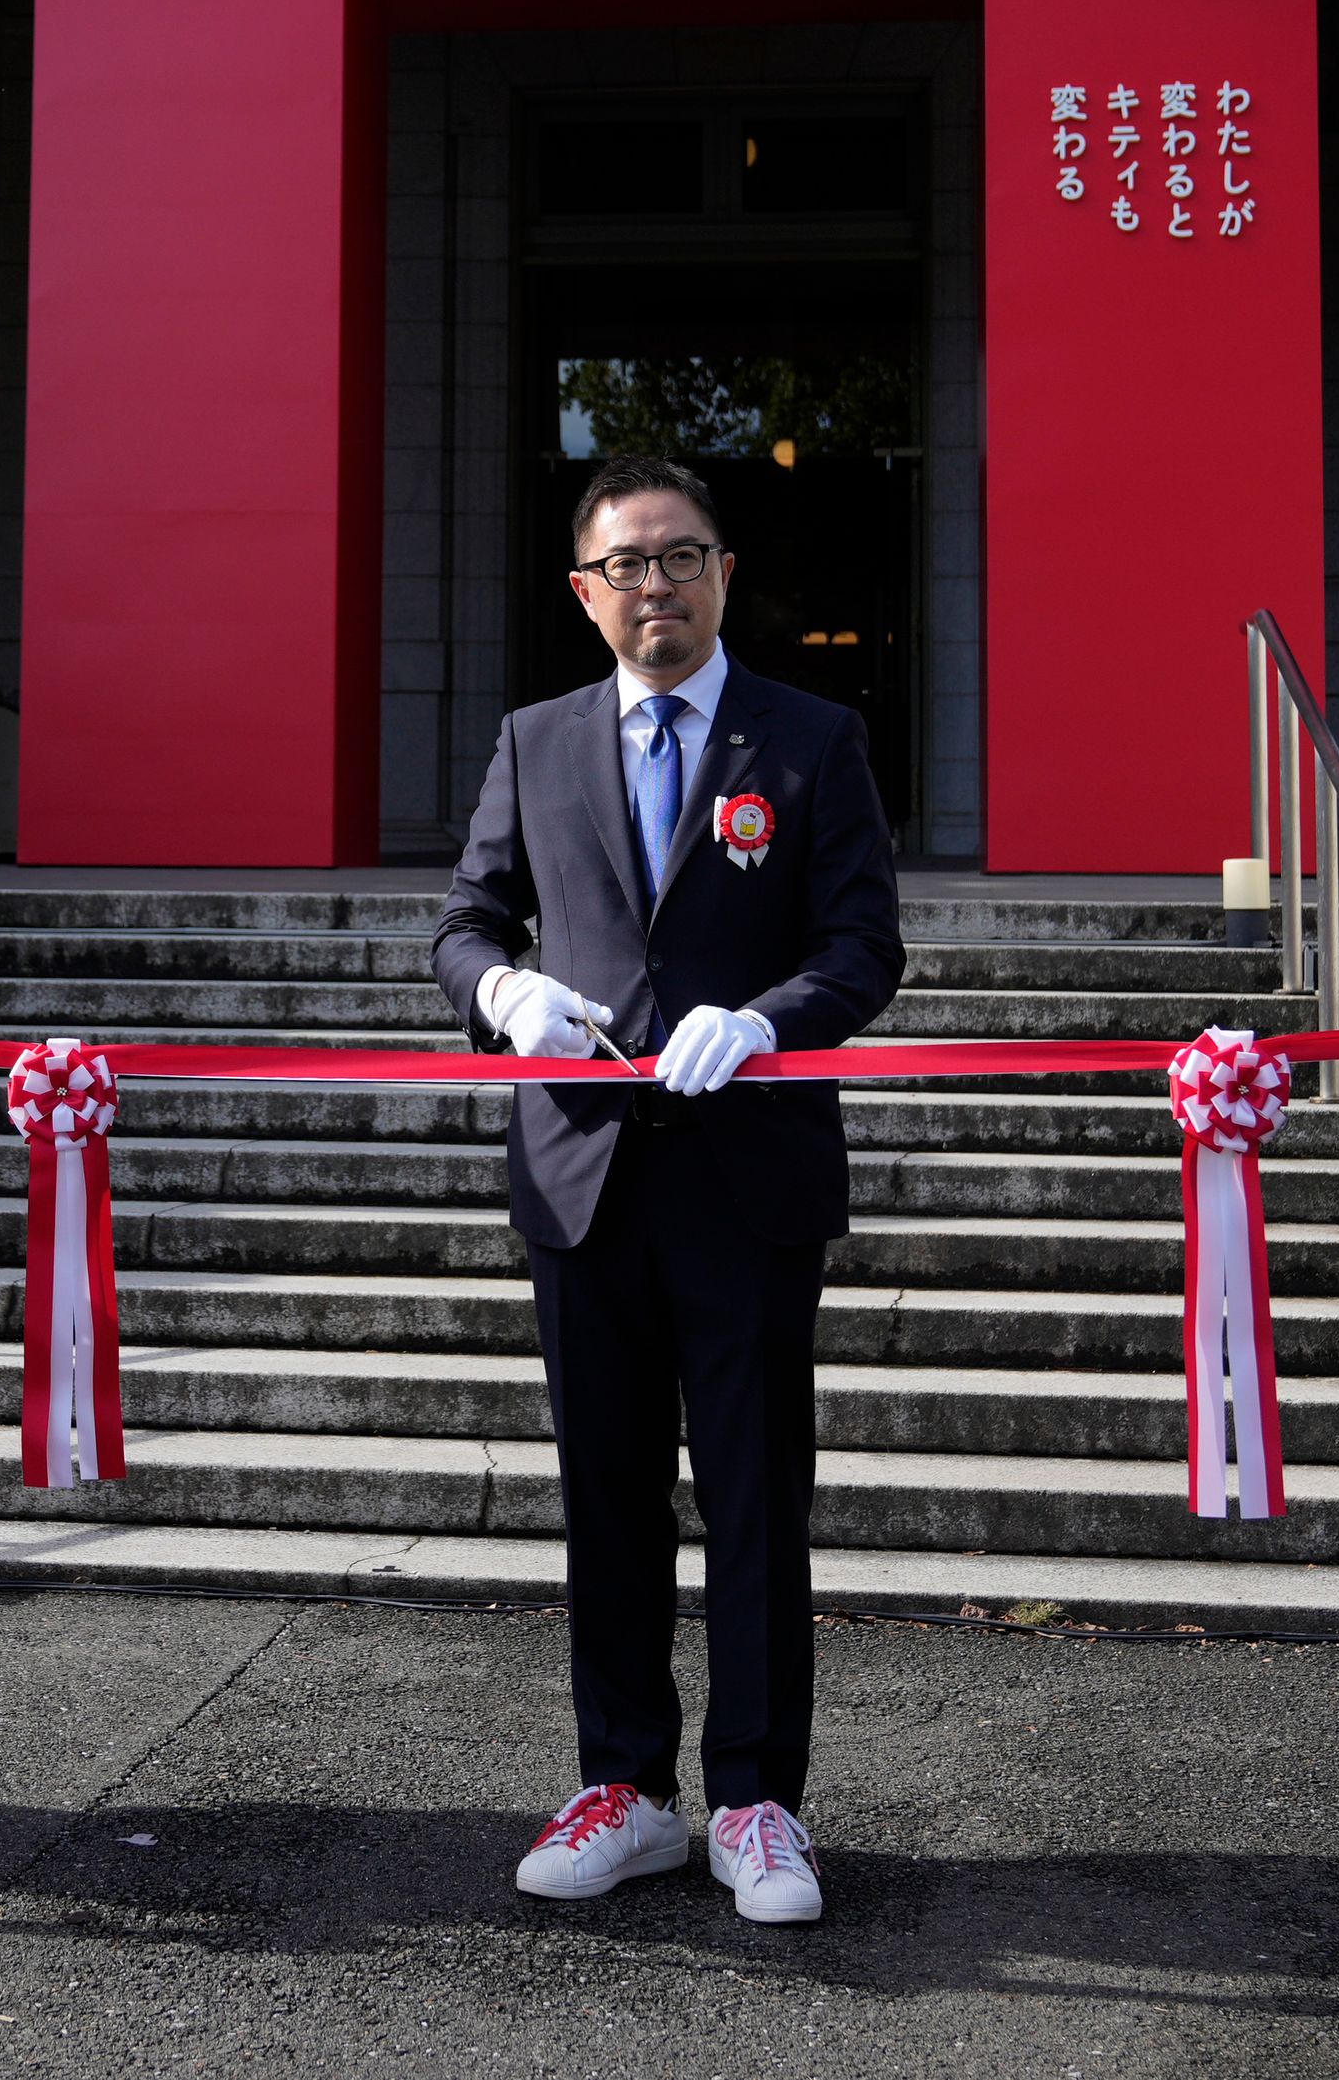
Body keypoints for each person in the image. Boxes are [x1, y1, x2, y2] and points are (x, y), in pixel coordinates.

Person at [432, 454, 904, 1927]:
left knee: (758, 1495)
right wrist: (501, 988)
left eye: (683, 556)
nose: (659, 585)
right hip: (583, 1168)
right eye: (628, 564)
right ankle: (625, 1785)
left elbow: (863, 947)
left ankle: (759, 1799)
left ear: (724, 574)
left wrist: (767, 1015)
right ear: (585, 592)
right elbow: (465, 921)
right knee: (609, 1492)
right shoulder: (535, 739)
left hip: (747, 1172)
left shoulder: (812, 737)